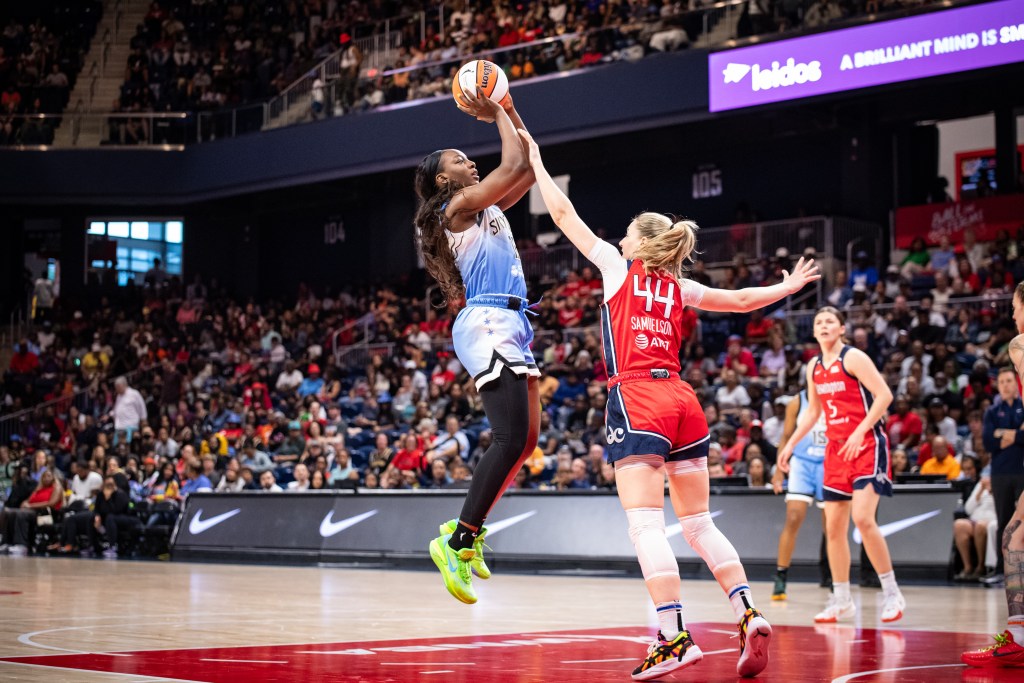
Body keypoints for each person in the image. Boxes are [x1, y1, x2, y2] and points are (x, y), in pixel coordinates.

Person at [521, 128, 820, 680]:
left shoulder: (618, 269)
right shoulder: (679, 287)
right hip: (683, 399)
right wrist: (787, 288)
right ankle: (747, 611)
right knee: (699, 523)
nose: (621, 240)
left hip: (638, 396)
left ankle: (672, 635)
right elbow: (741, 301)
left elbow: (562, 216)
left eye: (627, 235)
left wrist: (537, 161)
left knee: (645, 527)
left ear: (639, 244)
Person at [414, 89, 538, 605]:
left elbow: (526, 165)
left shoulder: (485, 202)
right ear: (444, 180)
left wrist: (508, 109)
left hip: (512, 320)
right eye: (460, 160)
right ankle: (457, 542)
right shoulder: (458, 206)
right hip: (487, 319)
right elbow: (512, 164)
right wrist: (499, 110)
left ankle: (467, 528)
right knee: (509, 437)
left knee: (526, 442)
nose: (470, 162)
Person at [779, 307, 906, 624]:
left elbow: (884, 395)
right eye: (819, 322)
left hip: (866, 444)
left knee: (862, 518)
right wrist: (790, 445)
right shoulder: (814, 366)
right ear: (814, 331)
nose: (824, 325)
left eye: (830, 321)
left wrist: (860, 430)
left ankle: (892, 593)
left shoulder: (853, 358)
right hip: (835, 449)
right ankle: (842, 599)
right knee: (834, 528)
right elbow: (813, 412)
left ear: (842, 328)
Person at [962, 281, 1024, 667]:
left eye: (1016, 308)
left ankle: (1018, 637)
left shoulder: (1020, 345)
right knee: (1013, 534)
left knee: (1013, 537)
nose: (1013, 315)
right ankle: (1018, 634)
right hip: (1010, 468)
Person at [770, 390, 828, 601]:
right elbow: (786, 436)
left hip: (828, 463)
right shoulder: (797, 401)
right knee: (793, 518)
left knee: (831, 526)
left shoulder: (835, 395)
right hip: (802, 463)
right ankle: (781, 576)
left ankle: (834, 578)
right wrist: (779, 471)